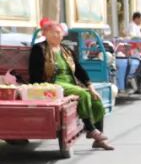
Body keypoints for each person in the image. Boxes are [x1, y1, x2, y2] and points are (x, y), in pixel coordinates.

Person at [28, 18, 113, 151]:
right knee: (83, 94)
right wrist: (42, 88)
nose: (58, 35)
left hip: (71, 83)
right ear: (45, 34)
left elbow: (79, 70)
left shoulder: (66, 50)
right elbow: (35, 73)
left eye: (59, 32)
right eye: (54, 32)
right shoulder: (39, 49)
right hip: (53, 84)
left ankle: (99, 139)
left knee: (96, 99)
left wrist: (90, 86)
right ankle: (90, 129)